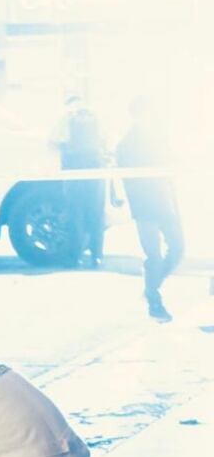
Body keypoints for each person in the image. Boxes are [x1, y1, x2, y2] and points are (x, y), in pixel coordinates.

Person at [116, 95, 184, 322]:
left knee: (177, 249)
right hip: (144, 206)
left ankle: (150, 287)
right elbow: (124, 178)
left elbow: (172, 162)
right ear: (138, 115)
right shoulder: (126, 144)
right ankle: (154, 300)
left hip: (165, 201)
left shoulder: (159, 136)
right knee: (153, 255)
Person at [51, 96, 106, 267]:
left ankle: (75, 256)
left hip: (74, 169)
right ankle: (97, 255)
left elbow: (54, 141)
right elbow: (106, 140)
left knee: (75, 212)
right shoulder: (96, 114)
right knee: (96, 212)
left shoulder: (65, 115)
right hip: (96, 169)